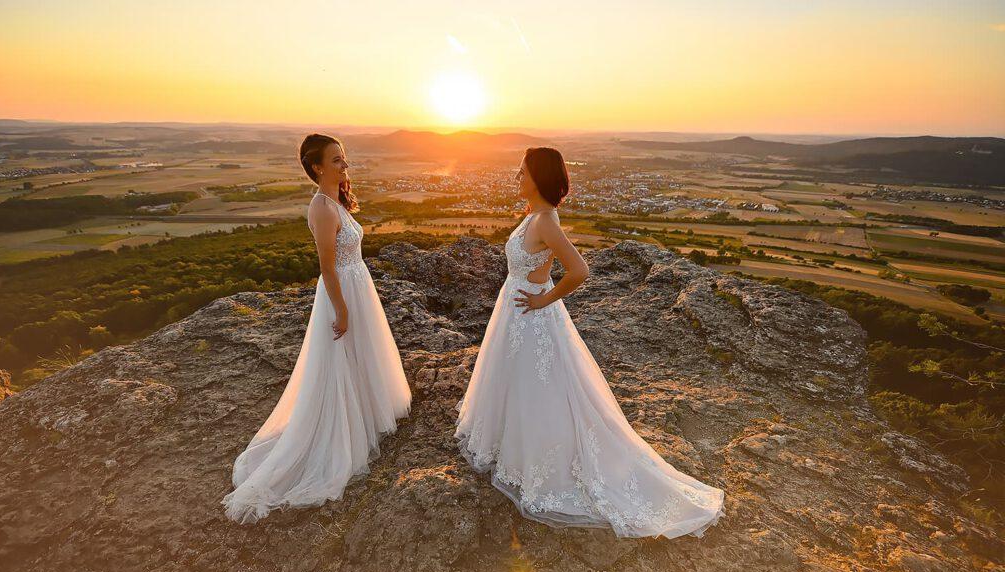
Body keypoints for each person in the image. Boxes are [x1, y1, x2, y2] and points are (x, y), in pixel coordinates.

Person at [454, 147, 725, 539]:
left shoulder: (545, 220)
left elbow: (579, 270)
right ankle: (509, 444)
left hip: (530, 313)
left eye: (523, 171)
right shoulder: (534, 215)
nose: (517, 177)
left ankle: (540, 458)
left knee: (539, 389)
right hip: (515, 312)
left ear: (539, 178)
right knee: (520, 383)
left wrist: (542, 298)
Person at [222, 134, 411, 524]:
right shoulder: (322, 208)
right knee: (340, 360)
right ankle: (335, 435)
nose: (345, 165)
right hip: (342, 291)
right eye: (337, 160)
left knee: (362, 355)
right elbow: (326, 267)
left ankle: (365, 414)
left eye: (344, 158)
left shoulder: (336, 201)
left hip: (358, 286)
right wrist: (341, 308)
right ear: (317, 167)